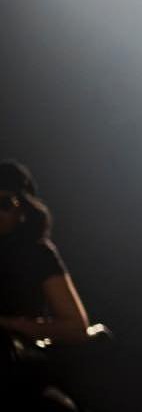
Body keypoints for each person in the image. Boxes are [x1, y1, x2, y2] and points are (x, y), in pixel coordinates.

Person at [0, 159, 90, 409]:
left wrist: (12, 326)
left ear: (23, 210)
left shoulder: (37, 254)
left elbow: (76, 326)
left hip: (16, 368)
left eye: (4, 204)